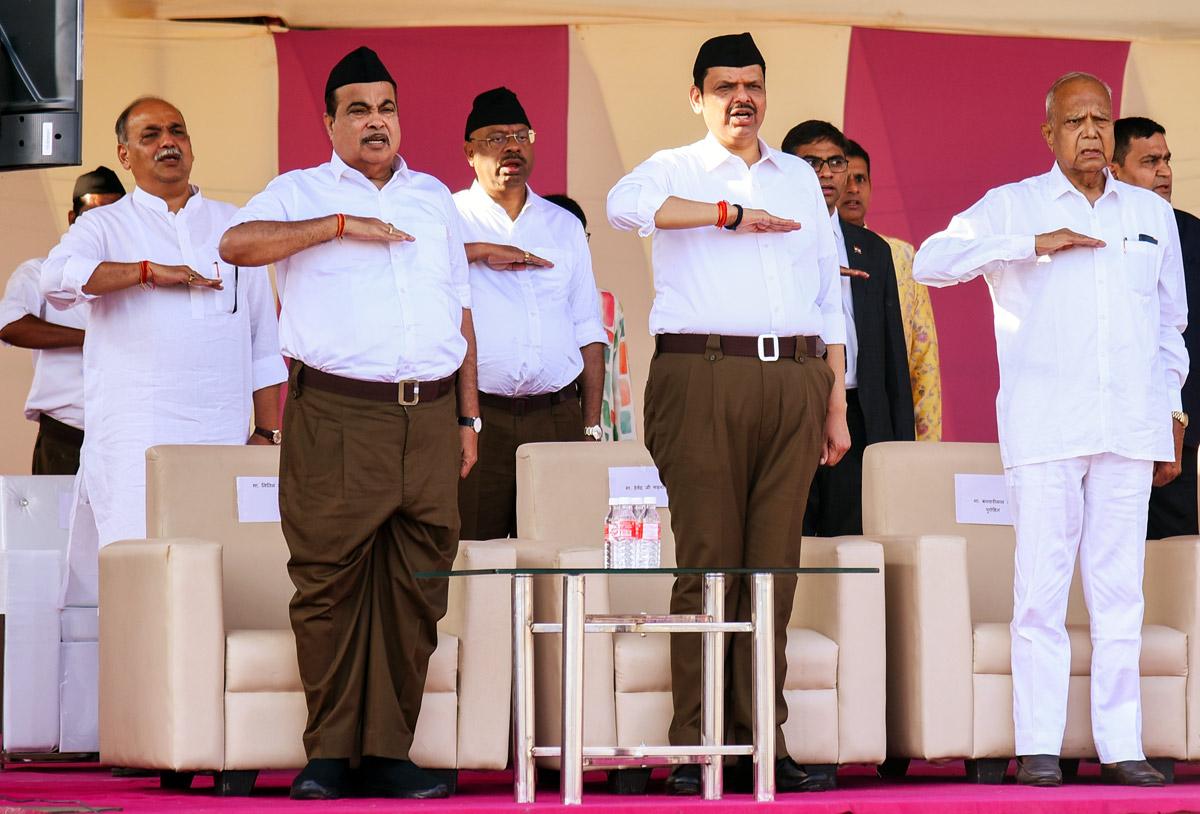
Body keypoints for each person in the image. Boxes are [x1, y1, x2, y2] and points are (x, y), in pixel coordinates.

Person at [219, 46, 478, 801]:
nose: (375, 121)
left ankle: (390, 754)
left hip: (429, 416)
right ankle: (330, 755)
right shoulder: (300, 191)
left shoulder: (433, 198)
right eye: (358, 109)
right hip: (338, 414)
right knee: (329, 586)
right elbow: (235, 246)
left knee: (417, 586)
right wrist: (334, 225)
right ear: (330, 121)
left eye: (386, 108)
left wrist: (469, 417)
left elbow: (459, 313)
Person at [914, 72, 1185, 787]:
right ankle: (1038, 744)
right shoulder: (1015, 205)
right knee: (1040, 588)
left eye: (1100, 119)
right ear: (1049, 134)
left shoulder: (1149, 214)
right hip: (1045, 427)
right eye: (1075, 122)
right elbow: (929, 260)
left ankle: (1120, 744)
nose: (1090, 132)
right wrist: (1027, 244)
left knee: (1120, 587)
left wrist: (1172, 415)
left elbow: (1170, 326)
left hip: (1128, 426)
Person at [607, 32, 849, 794]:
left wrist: (835, 399)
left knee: (773, 567)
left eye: (752, 83)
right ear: (697, 97)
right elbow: (622, 208)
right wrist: (725, 213)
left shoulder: (801, 179)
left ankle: (762, 744)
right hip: (703, 374)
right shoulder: (674, 168)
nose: (740, 97)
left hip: (797, 378)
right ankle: (698, 743)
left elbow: (827, 294)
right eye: (723, 86)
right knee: (709, 561)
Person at [40, 98, 285, 607]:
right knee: (141, 591)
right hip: (136, 446)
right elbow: (56, 281)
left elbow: (264, 341)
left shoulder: (235, 226)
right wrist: (145, 272)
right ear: (125, 155)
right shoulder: (104, 226)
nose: (168, 142)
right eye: (150, 135)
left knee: (225, 583)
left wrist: (266, 433)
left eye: (177, 130)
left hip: (223, 439)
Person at [454, 87, 607, 540]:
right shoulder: (447, 216)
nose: (512, 146)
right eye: (496, 138)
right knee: (473, 556)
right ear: (469, 152)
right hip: (479, 417)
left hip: (556, 415)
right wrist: (480, 251)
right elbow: (411, 264)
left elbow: (588, 327)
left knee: (559, 558)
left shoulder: (563, 226)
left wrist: (591, 426)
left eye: (521, 135)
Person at [782, 121, 913, 538]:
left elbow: (892, 353)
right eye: (811, 162)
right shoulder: (769, 238)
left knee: (852, 542)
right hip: (792, 407)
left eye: (834, 162)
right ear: (786, 169)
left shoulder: (872, 249)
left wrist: (899, 445)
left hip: (859, 415)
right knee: (789, 537)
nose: (825, 172)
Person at [0, 167, 125, 474]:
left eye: (113, 216)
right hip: (65, 435)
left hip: (127, 434)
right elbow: (10, 325)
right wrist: (89, 339)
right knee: (58, 523)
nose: (103, 226)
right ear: (73, 219)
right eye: (93, 215)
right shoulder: (39, 272)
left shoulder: (138, 277)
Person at [1110, 116, 1200, 538]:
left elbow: (1184, 337)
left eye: (1166, 160)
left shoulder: (1192, 235)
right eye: (1149, 161)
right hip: (1108, 433)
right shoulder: (1096, 232)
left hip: (1178, 433)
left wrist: (1178, 421)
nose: (1164, 171)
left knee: (1174, 554)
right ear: (1114, 171)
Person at [838, 139, 943, 441]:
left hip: (884, 415)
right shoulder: (808, 254)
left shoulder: (900, 256)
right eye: (845, 180)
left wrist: (927, 444)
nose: (853, 188)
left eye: (861, 179)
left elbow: (923, 355)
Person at [544, 193, 640, 442]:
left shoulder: (607, 304)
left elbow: (620, 383)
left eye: (582, 236)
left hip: (600, 434)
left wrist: (624, 445)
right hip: (544, 424)